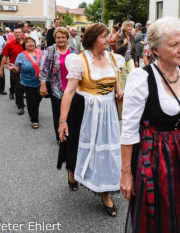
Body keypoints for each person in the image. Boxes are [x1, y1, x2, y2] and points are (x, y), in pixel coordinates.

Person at [120, 17, 180, 233]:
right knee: (156, 212)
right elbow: (129, 130)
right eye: (174, 45)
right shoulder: (140, 78)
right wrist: (126, 173)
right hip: (152, 154)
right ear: (156, 50)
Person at [57, 23, 124, 216]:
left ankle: (105, 192)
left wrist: (118, 90)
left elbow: (116, 83)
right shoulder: (79, 60)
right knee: (77, 145)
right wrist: (62, 121)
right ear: (93, 39)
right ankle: (73, 171)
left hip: (108, 111)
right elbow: (69, 92)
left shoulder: (113, 58)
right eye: (104, 36)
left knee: (109, 150)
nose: (108, 39)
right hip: (85, 109)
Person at [39, 27, 78, 142]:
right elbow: (44, 68)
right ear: (55, 38)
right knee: (58, 113)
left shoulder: (73, 50)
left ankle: (71, 134)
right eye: (58, 37)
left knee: (72, 112)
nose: (61, 40)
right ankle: (60, 136)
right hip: (57, 88)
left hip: (72, 87)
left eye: (63, 37)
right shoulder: (50, 50)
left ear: (67, 38)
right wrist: (43, 84)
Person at [7, 37, 43, 129]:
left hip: (41, 82)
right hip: (27, 82)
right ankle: (34, 120)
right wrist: (13, 68)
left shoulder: (42, 53)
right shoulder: (21, 56)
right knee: (31, 101)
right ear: (24, 46)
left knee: (36, 100)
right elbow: (17, 69)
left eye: (32, 42)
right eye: (28, 43)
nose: (30, 44)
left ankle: (33, 111)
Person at [0, 27, 25, 114]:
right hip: (14, 69)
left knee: (28, 87)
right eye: (16, 32)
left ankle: (27, 102)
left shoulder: (27, 43)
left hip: (27, 68)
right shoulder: (10, 44)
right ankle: (20, 106)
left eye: (19, 32)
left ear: (22, 33)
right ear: (13, 34)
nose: (18, 34)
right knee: (18, 87)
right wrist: (1, 70)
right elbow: (4, 57)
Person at [115, 21, 137, 89]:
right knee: (122, 75)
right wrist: (124, 44)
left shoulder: (132, 36)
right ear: (124, 27)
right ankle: (121, 91)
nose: (130, 28)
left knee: (133, 73)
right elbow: (116, 49)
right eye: (128, 26)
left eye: (131, 26)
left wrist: (136, 60)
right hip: (122, 58)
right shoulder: (120, 36)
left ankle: (131, 89)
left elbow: (134, 50)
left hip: (130, 58)